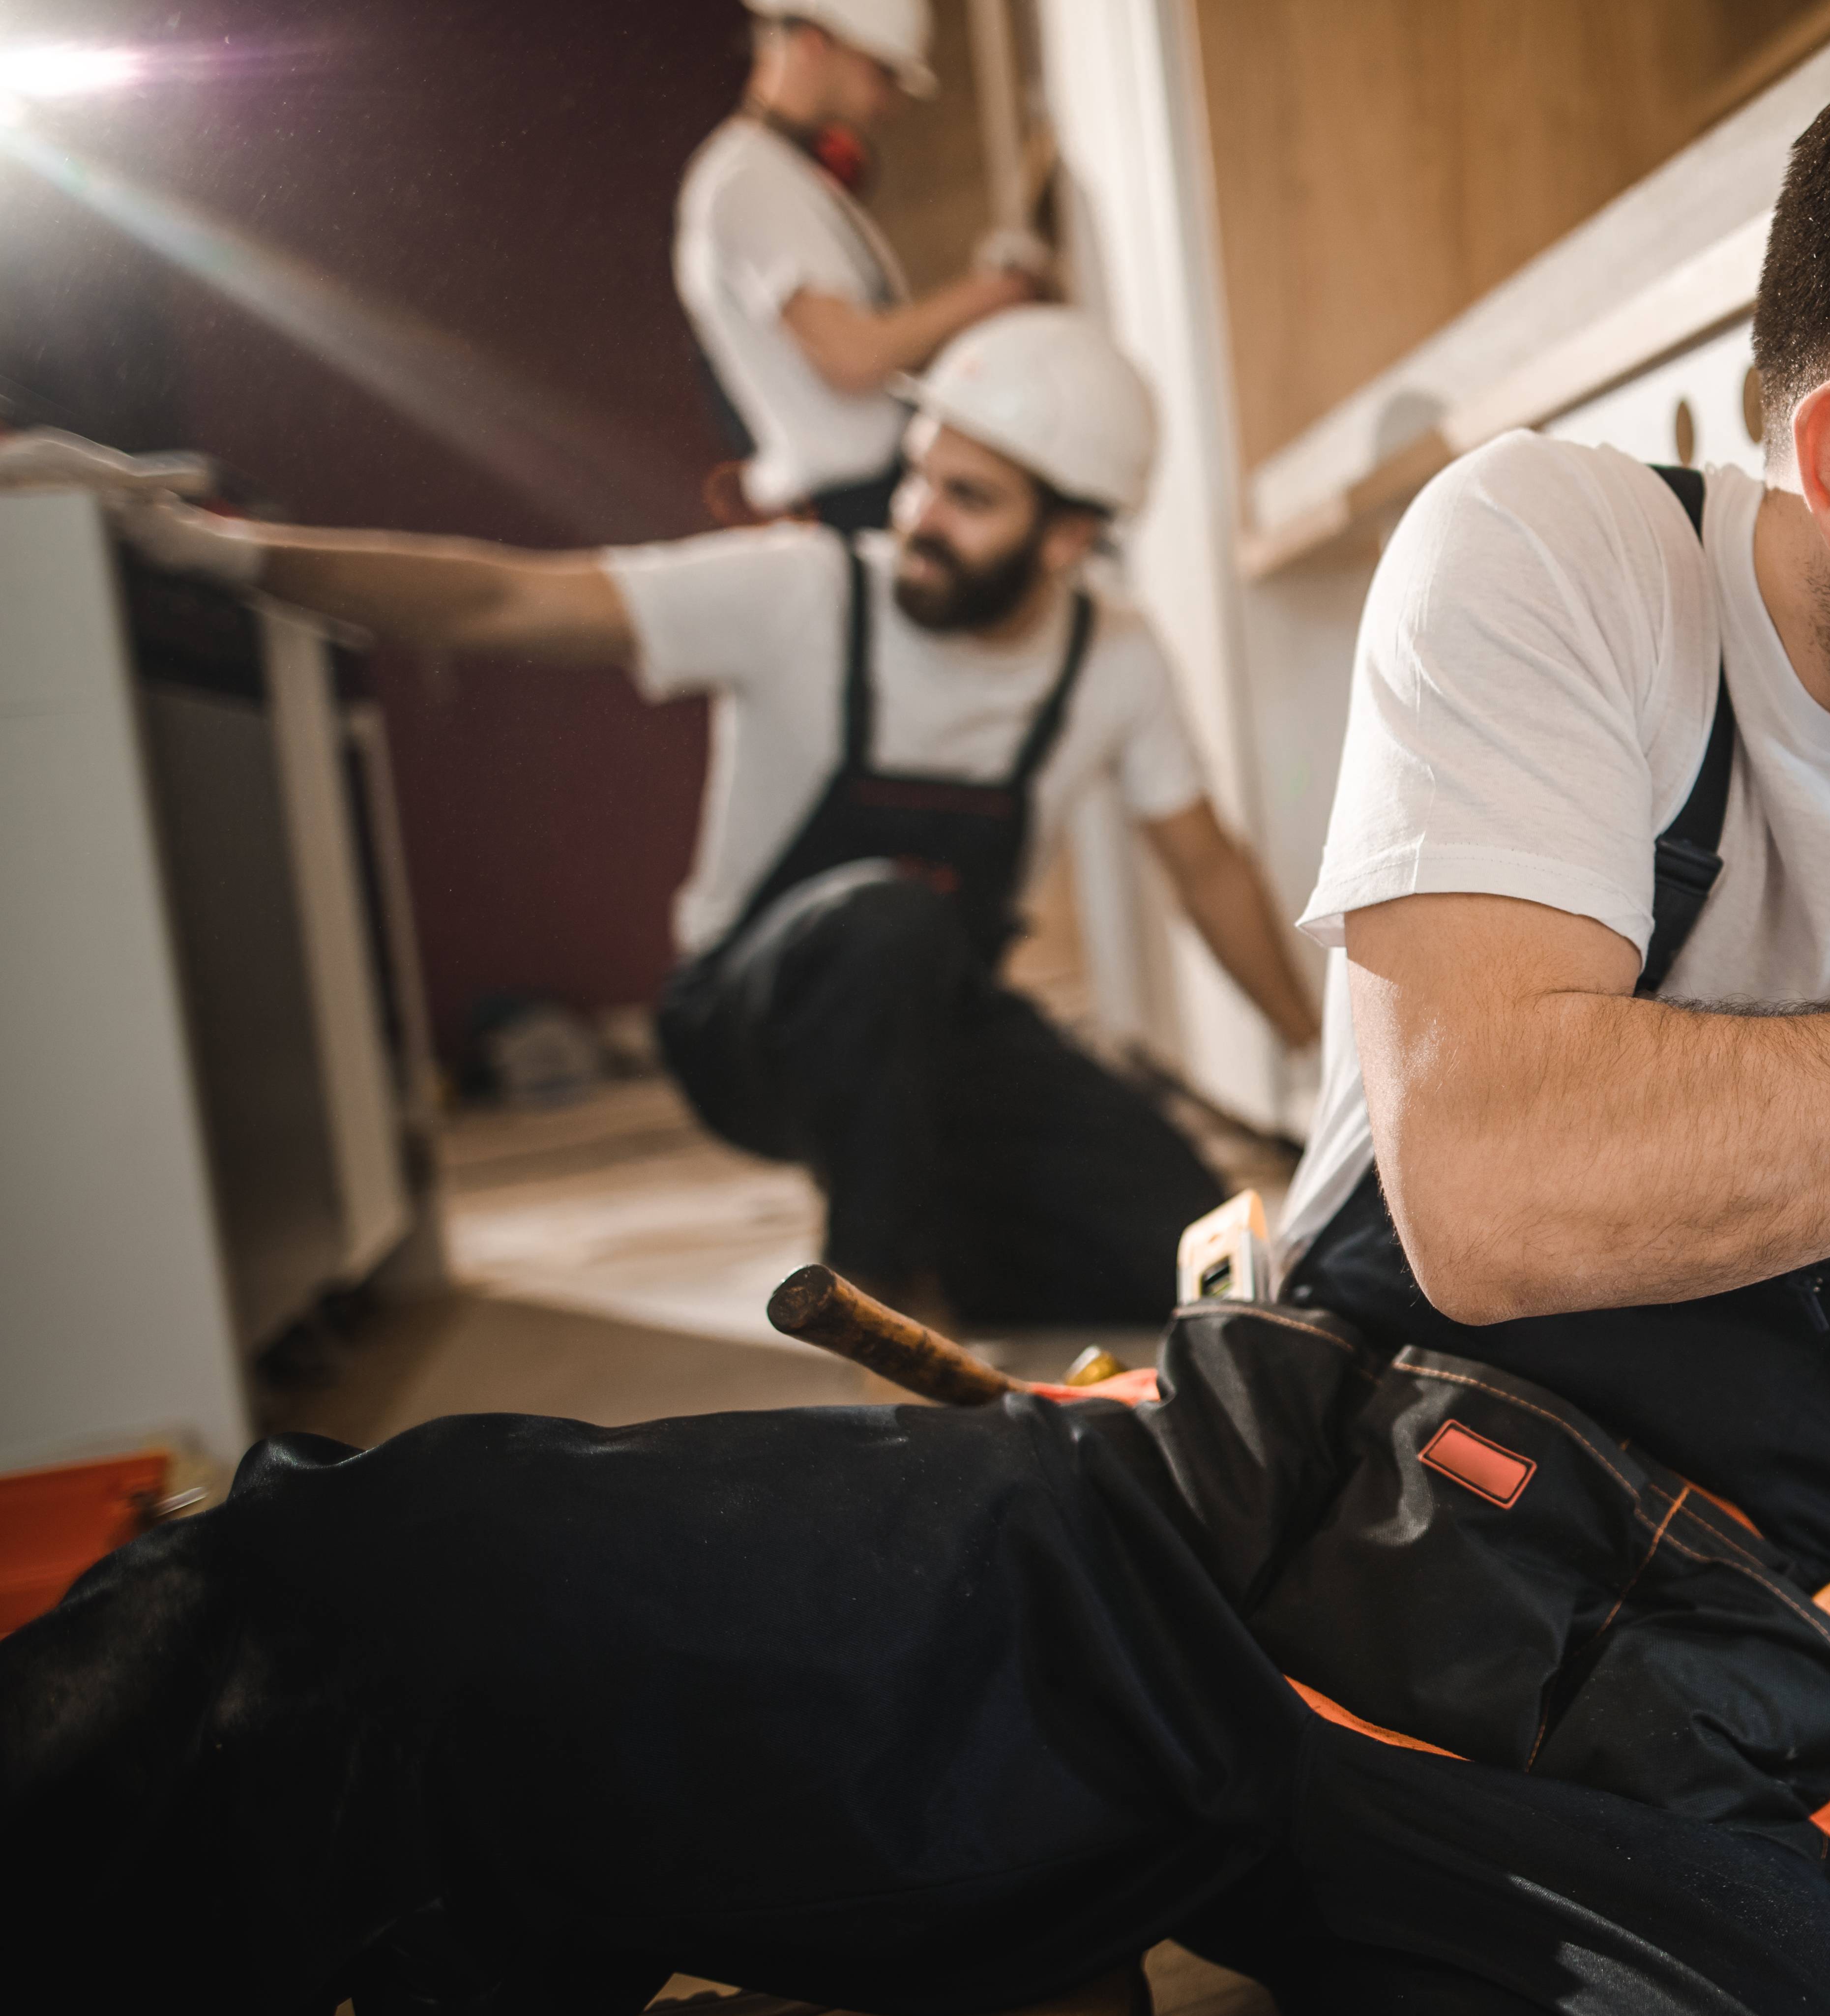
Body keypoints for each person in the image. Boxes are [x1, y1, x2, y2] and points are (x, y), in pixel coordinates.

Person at [2, 27, 1830, 2016]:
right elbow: (1494, 1190)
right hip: (1207, 1544)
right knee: (335, 1608)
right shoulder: (1573, 559)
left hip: (1657, 1755)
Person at [106, 304, 1317, 1327]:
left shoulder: (1117, 658)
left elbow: (1206, 866)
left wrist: (1314, 1062)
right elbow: (503, 602)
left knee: (1192, 1247)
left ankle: (947, 1234)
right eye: (918, 476)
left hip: (938, 1023)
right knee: (885, 927)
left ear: (1071, 540)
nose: (917, 519)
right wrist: (221, 552)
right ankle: (881, 1306)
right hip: (748, 1023)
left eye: (969, 498)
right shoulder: (798, 592)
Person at [678, 0, 1047, 531]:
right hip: (852, 507)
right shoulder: (747, 180)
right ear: (816, 43)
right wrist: (996, 293)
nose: (890, 101)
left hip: (867, 497)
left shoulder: (784, 176)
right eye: (881, 71)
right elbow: (851, 355)